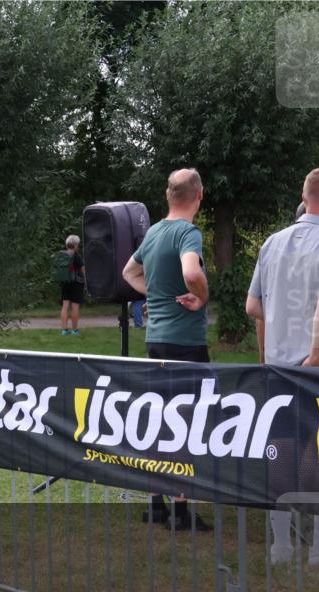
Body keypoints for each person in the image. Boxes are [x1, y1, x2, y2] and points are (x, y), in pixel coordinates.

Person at [246, 167, 319, 565]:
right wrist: (318, 355)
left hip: (279, 368)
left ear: (305, 197)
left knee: (280, 454)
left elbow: (255, 306)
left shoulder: (272, 243)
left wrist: (267, 355)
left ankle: (280, 546)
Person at [122, 167, 211, 531]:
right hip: (185, 342)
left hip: (155, 339)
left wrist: (155, 295)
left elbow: (129, 272)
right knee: (185, 425)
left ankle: (156, 503)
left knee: (158, 421)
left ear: (167, 195)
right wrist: (202, 295)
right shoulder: (187, 232)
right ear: (199, 196)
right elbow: (191, 274)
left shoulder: (155, 231)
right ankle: (179, 510)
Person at [57, 235, 85, 336]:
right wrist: (86, 280)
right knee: (75, 306)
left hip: (65, 283)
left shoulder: (62, 255)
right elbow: (82, 270)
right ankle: (75, 330)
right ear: (75, 244)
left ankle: (64, 330)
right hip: (76, 283)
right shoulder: (77, 256)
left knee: (65, 306)